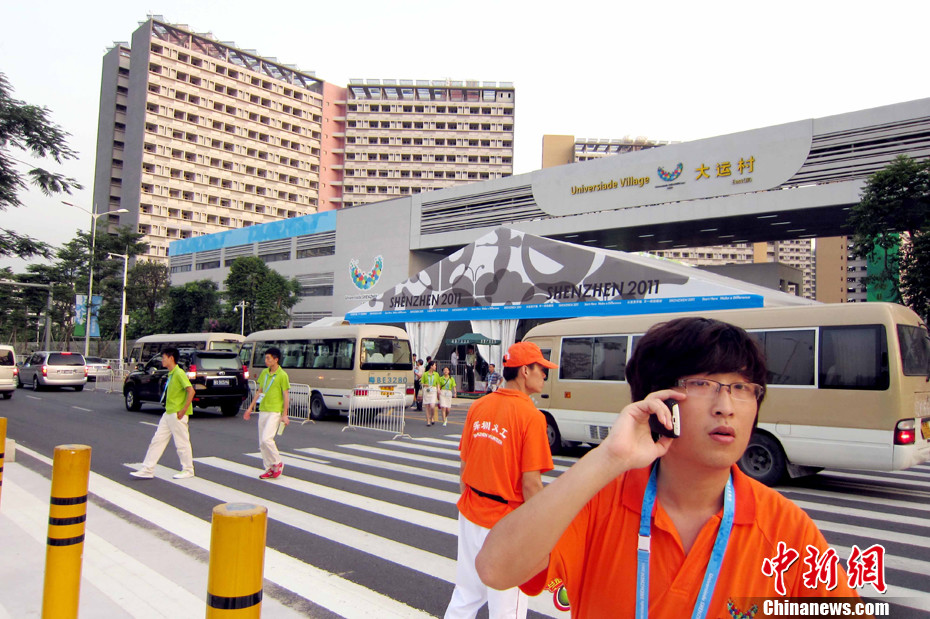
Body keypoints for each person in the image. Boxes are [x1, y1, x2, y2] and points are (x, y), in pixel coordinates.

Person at [476, 318, 862, 618]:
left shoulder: (784, 528)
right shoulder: (600, 501)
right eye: (703, 383)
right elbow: (496, 568)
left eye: (742, 387)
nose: (725, 405)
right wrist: (610, 457)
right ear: (658, 399)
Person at [444, 342, 556, 619]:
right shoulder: (531, 417)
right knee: (507, 609)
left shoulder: (480, 406)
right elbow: (531, 485)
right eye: (541, 369)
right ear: (524, 371)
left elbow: (464, 464)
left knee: (467, 594)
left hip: (471, 511)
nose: (545, 375)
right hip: (506, 522)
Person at [130, 347, 196, 480]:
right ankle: (148, 469)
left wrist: (183, 410)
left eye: (164, 357)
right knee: (157, 440)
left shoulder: (179, 373)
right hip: (168, 412)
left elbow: (191, 391)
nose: (162, 360)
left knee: (181, 442)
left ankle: (188, 469)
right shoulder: (172, 373)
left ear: (171, 358)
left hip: (177, 413)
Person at [242, 346, 290, 479]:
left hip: (275, 411)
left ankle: (277, 462)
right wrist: (250, 407)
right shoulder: (264, 373)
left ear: (276, 359)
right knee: (261, 443)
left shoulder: (282, 375)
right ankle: (269, 467)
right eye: (266, 358)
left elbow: (286, 395)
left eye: (268, 358)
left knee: (267, 439)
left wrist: (284, 414)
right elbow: (260, 391)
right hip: (263, 409)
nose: (266, 360)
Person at [421, 360, 440, 426]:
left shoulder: (436, 374)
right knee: (427, 406)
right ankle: (428, 420)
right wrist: (424, 385)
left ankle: (432, 417)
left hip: (433, 390)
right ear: (431, 366)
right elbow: (422, 382)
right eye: (434, 365)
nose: (435, 367)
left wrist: (438, 390)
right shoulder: (425, 374)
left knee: (432, 406)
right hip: (427, 390)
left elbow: (438, 383)